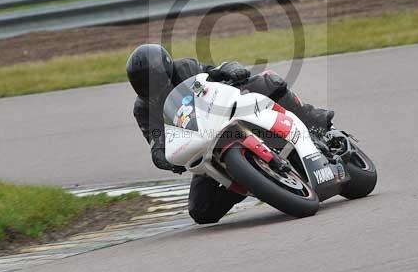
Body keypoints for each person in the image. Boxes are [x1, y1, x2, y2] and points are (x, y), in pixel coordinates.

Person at [126, 44, 334, 224]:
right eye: (142, 83)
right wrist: (167, 159)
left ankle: (312, 120)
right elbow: (156, 143)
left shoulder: (185, 68)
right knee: (201, 211)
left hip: (226, 113)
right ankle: (250, 181)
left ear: (165, 69)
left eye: (151, 79)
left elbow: (212, 72)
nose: (148, 86)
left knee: (269, 82)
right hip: (204, 147)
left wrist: (229, 69)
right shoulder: (143, 110)